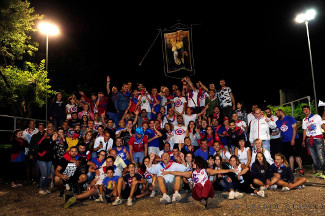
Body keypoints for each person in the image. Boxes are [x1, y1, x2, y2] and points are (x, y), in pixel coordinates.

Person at [162, 156, 234, 208]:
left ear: (198, 163)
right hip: (197, 194)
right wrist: (168, 172)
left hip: (208, 192)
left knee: (208, 182)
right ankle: (203, 199)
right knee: (198, 185)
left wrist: (230, 170)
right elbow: (180, 173)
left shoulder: (206, 170)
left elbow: (218, 171)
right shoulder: (191, 172)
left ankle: (204, 198)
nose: (192, 163)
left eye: (194, 162)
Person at [276, 109, 304, 175]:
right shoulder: (277, 122)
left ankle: (301, 168)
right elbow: (277, 131)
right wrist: (270, 134)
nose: (276, 115)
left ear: (281, 112)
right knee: (290, 155)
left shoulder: (290, 118)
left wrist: (293, 139)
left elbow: (295, 128)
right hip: (285, 141)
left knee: (297, 155)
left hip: (294, 139)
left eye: (277, 113)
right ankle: (292, 170)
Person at [301, 105, 325, 178]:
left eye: (307, 109)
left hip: (318, 138)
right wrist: (303, 140)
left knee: (321, 155)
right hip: (309, 139)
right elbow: (305, 130)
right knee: (314, 156)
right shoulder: (304, 120)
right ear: (303, 111)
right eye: (304, 109)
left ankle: (324, 171)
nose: (306, 110)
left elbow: (322, 125)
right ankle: (318, 171)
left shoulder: (316, 116)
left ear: (309, 110)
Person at [36, 127, 55, 194]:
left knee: (47, 175)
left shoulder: (52, 141)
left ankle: (46, 188)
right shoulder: (43, 139)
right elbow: (43, 147)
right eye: (47, 131)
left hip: (49, 159)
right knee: (44, 174)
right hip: (42, 159)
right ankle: (41, 188)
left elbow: (52, 150)